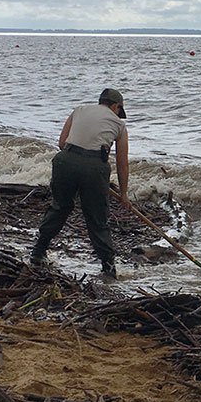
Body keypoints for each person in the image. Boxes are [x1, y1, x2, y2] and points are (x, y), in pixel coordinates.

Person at [31, 88, 130, 278]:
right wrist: (124, 194)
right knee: (97, 219)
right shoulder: (119, 125)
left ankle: (38, 251)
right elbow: (122, 163)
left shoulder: (79, 110)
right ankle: (108, 268)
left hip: (65, 161)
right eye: (120, 110)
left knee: (60, 207)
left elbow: (62, 143)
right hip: (94, 168)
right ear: (116, 106)